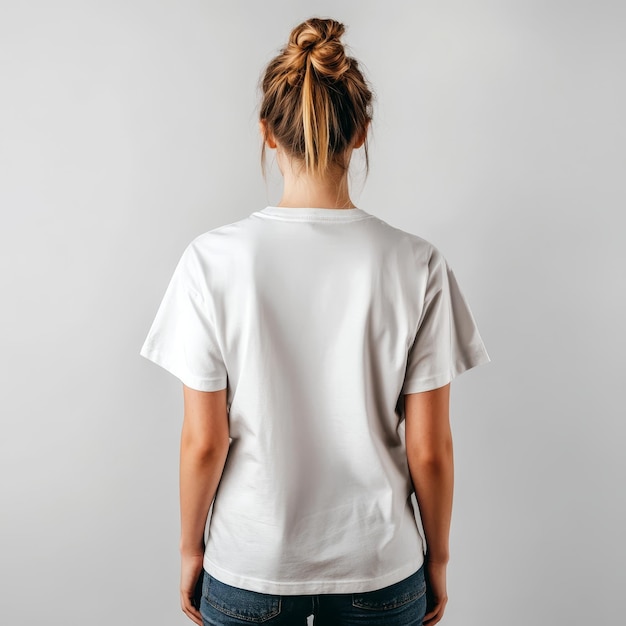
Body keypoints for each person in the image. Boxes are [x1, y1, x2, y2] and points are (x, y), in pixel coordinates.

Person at [139, 16, 491, 626]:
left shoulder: (211, 261)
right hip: (381, 572)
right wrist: (438, 561)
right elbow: (430, 449)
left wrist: (190, 548)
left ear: (267, 135)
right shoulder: (417, 264)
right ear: (361, 135)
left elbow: (204, 441)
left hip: (249, 568)